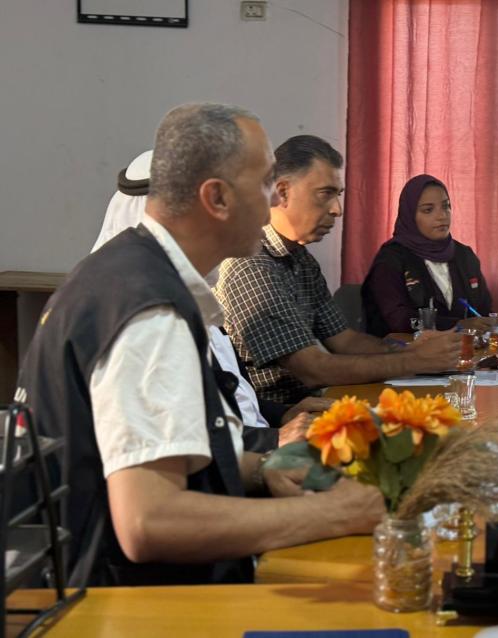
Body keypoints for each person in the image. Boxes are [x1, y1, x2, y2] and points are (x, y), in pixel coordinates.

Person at [17, 103, 383, 586]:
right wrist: (338, 514)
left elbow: (173, 450)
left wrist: (263, 468)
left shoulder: (127, 273)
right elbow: (149, 522)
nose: (273, 201)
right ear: (217, 198)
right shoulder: (149, 309)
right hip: (128, 602)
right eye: (266, 183)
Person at [92, 150, 330, 452]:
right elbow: (175, 436)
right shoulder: (140, 315)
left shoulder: (193, 299)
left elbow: (230, 396)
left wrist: (284, 414)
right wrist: (273, 439)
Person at [215, 136, 461, 405]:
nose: (337, 210)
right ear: (282, 192)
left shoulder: (301, 259)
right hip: (281, 418)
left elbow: (344, 340)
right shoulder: (250, 264)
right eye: (325, 194)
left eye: (338, 195)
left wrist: (409, 349)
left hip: (319, 401)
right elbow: (313, 370)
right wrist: (415, 361)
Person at [361, 174, 493, 337]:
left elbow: (484, 311)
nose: (442, 216)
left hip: (464, 348)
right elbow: (398, 320)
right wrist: (457, 325)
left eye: (446, 206)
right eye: (428, 210)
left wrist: (484, 325)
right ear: (410, 215)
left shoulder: (464, 255)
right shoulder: (391, 259)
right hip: (404, 349)